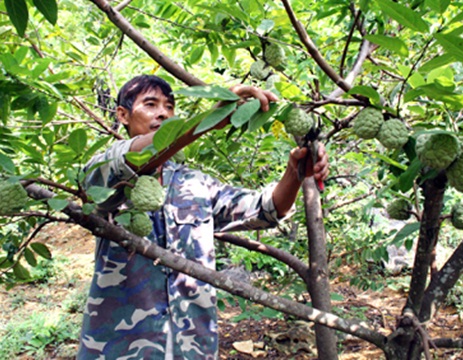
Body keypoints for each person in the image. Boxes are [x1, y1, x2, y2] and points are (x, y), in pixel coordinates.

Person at [78, 75, 329, 359]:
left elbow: (264, 209)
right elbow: (122, 164)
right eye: (150, 104)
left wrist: (295, 173)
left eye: (170, 107)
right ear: (122, 115)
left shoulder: (194, 184)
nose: (163, 112)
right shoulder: (103, 171)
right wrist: (209, 118)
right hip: (119, 348)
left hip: (191, 346)